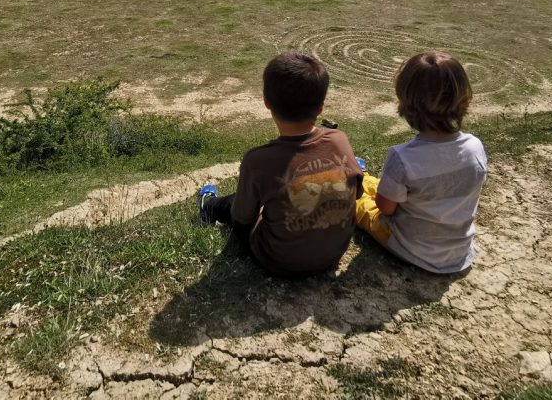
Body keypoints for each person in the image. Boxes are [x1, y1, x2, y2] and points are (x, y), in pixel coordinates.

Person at [197, 51, 364, 277]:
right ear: (321, 108)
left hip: (277, 260)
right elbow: (356, 193)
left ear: (266, 102)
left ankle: (207, 206)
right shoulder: (339, 139)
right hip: (334, 253)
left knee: (232, 204)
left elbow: (241, 220)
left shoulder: (257, 160)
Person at [356, 52, 487, 274]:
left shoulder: (403, 157)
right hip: (457, 250)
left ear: (407, 102)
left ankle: (358, 181)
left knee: (359, 204)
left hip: (412, 247)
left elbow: (385, 208)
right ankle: (363, 176)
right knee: (379, 185)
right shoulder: (475, 147)